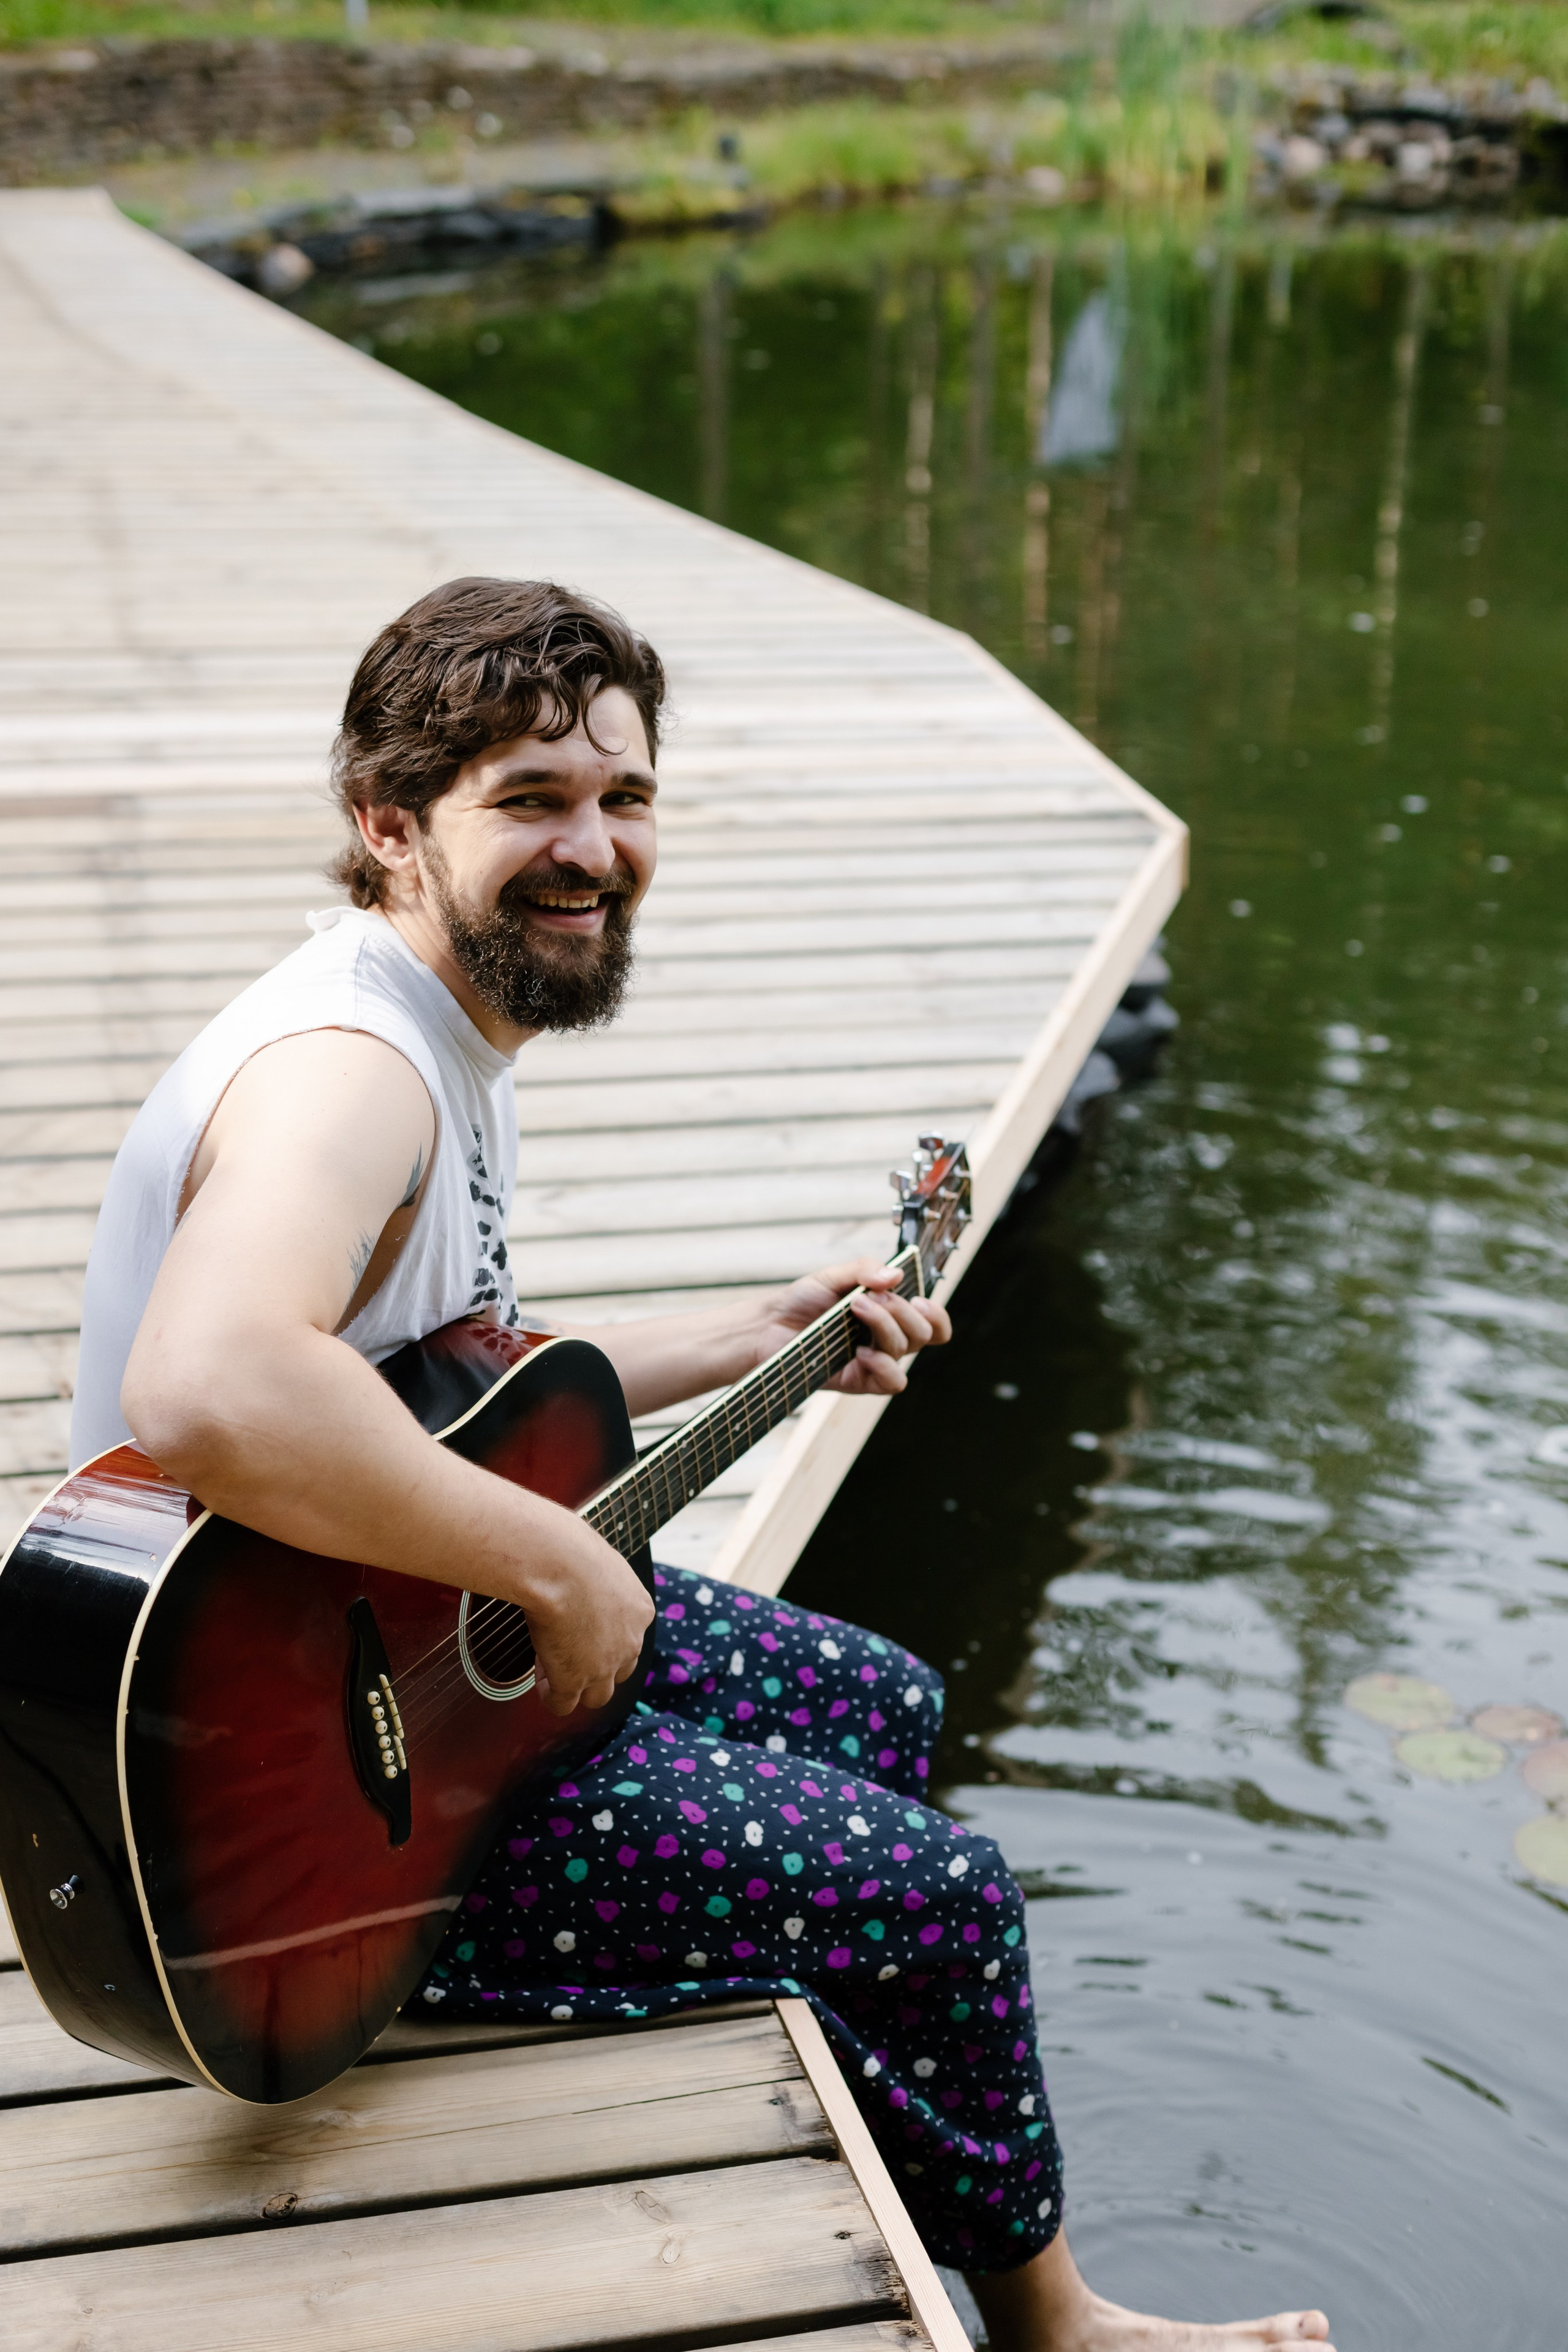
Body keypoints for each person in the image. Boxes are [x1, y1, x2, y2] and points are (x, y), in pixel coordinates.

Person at [72, 577, 1333, 2352]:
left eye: (625, 797)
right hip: (274, 1822)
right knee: (950, 1905)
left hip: (364, 1651)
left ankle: (846, 2069)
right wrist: (557, 1563)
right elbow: (211, 1382)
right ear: (390, 824)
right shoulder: (349, 1073)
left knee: (880, 1703)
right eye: (529, 799)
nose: (594, 849)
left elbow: (448, 1378)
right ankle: (1060, 2332)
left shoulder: (433, 1018)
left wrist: (756, 1331)